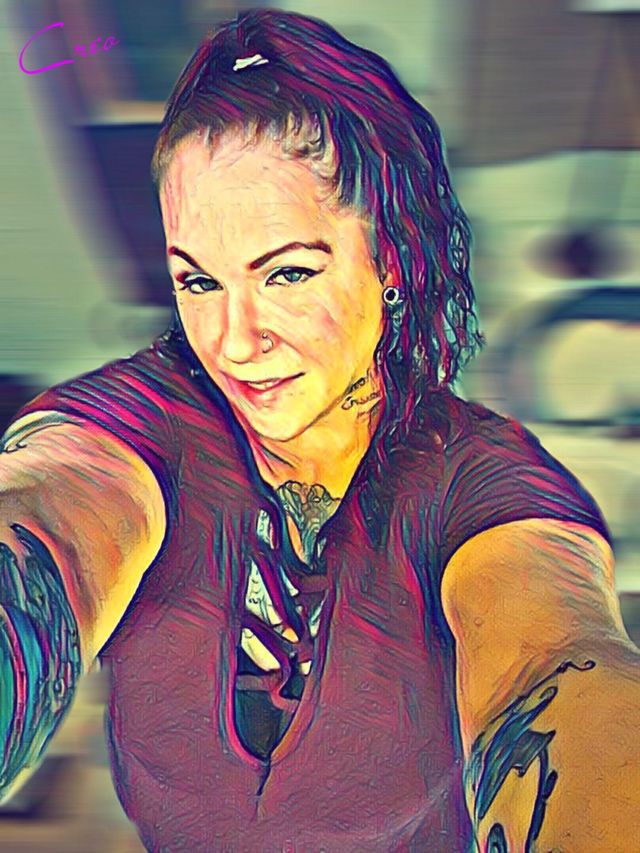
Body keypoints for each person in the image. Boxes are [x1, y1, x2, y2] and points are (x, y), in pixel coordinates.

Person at [1, 8, 639, 851]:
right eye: (198, 283)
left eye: (289, 273)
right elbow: (54, 512)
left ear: (393, 261)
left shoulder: (477, 478)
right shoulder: (144, 418)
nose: (235, 342)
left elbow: (557, 663)